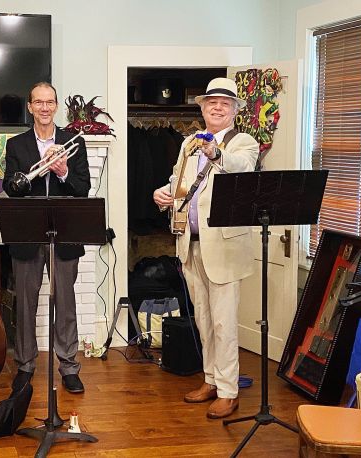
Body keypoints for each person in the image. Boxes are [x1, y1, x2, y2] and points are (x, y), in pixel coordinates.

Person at [153, 77, 258, 419]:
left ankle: (229, 392)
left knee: (224, 323)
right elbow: (179, 181)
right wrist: (164, 194)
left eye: (225, 104)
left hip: (224, 248)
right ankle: (211, 380)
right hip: (191, 244)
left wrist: (216, 152)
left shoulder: (243, 142)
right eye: (211, 102)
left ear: (234, 111)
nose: (217, 108)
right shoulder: (188, 143)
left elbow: (242, 167)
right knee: (204, 320)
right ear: (202, 108)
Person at [3, 82, 91, 394]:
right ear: (30, 107)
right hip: (28, 233)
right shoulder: (16, 145)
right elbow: (10, 188)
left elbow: (83, 189)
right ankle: (25, 365)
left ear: (56, 106)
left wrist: (63, 171)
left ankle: (68, 366)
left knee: (65, 303)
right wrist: (37, 172)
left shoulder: (74, 143)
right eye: (38, 102)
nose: (44, 108)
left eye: (49, 102)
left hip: (65, 233)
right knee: (25, 304)